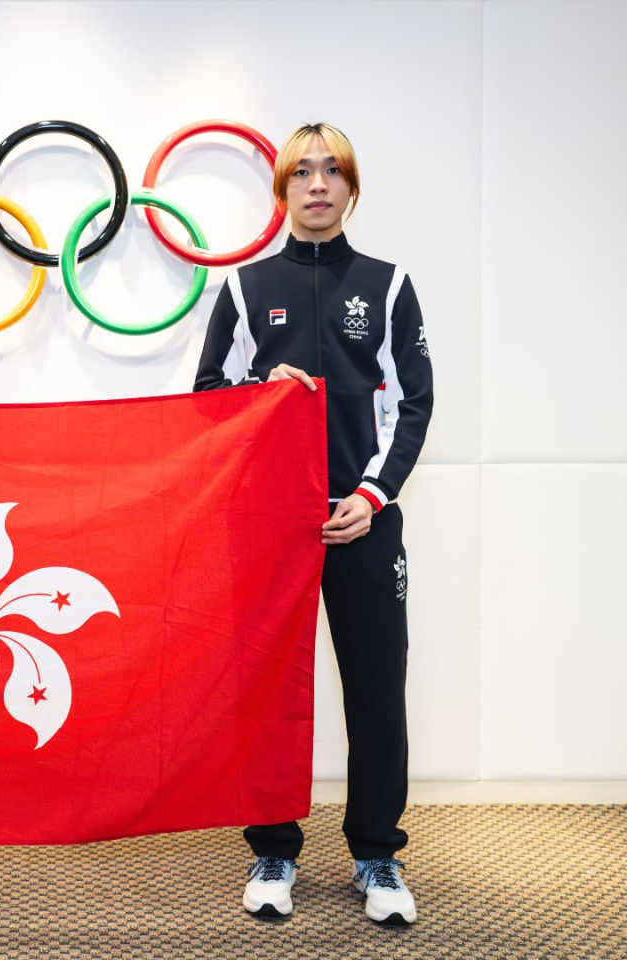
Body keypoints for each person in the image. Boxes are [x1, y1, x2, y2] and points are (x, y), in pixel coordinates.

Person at [193, 123, 432, 925]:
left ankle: (376, 854)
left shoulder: (390, 284)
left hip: (362, 522)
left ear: (351, 187)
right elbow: (208, 400)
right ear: (283, 189)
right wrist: (266, 380)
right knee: (266, 692)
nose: (318, 185)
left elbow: (414, 403)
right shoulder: (244, 289)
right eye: (303, 172)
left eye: (333, 172)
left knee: (376, 689)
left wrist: (371, 495)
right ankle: (271, 848)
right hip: (270, 527)